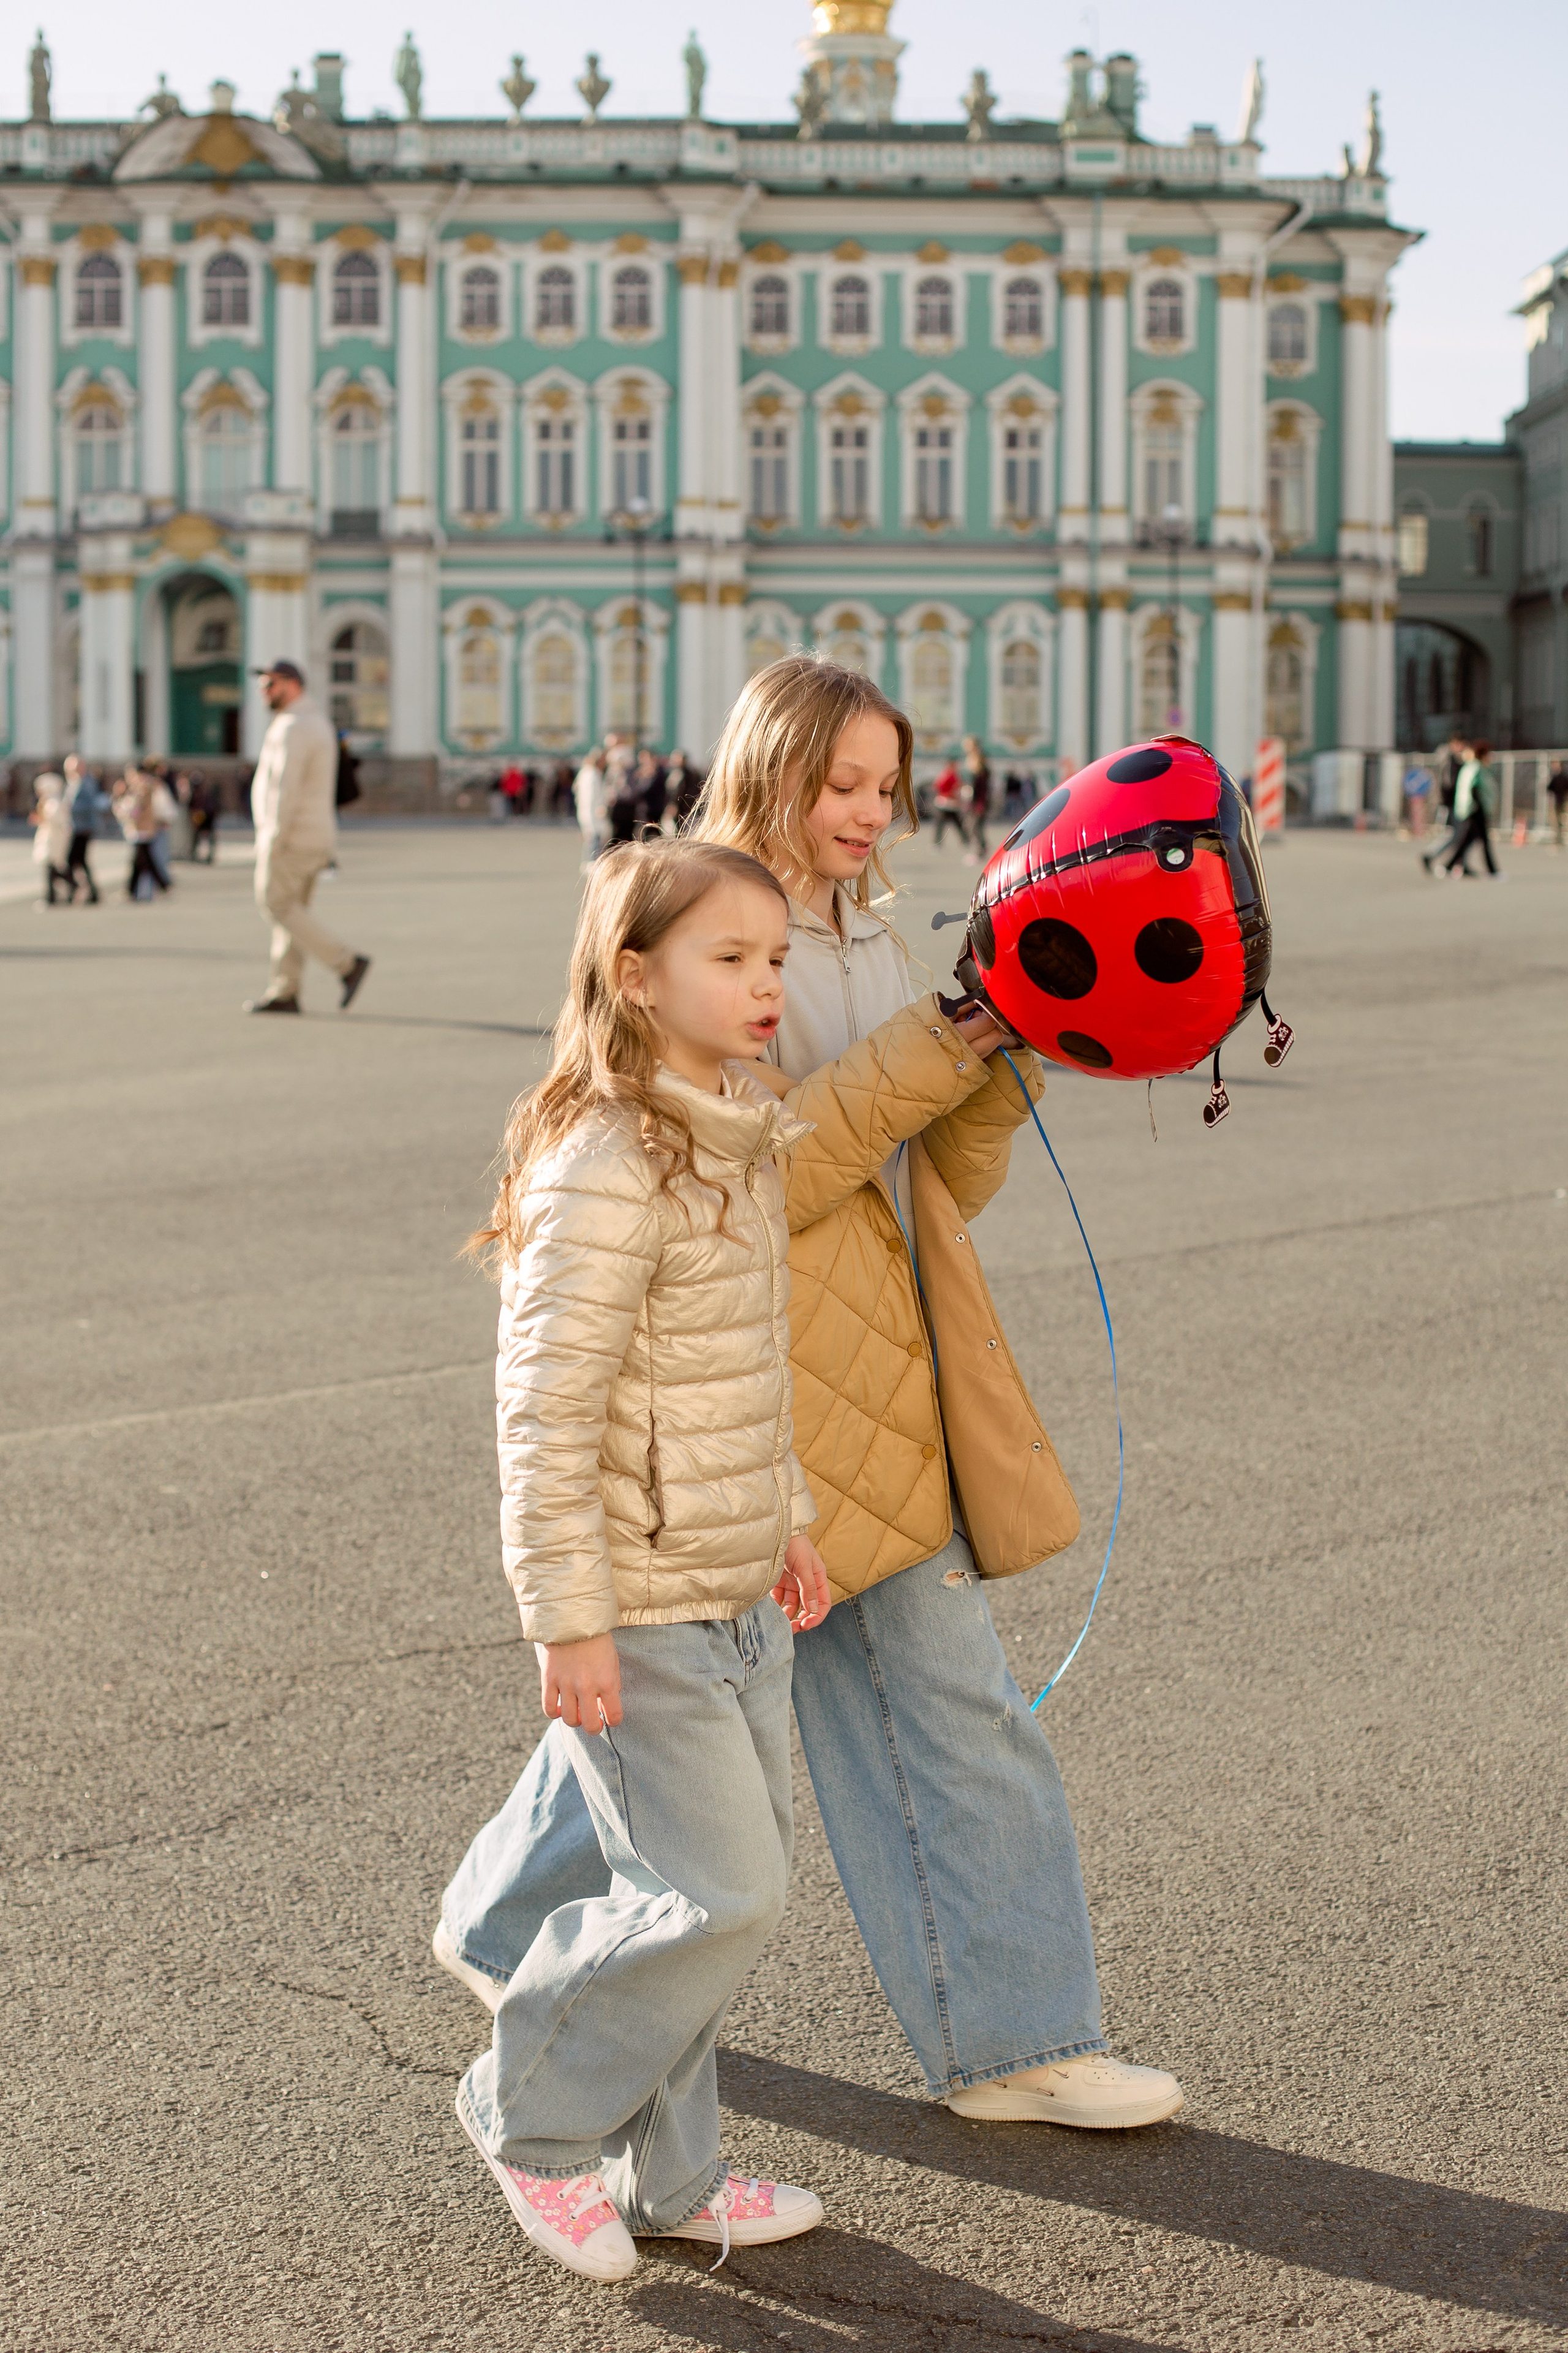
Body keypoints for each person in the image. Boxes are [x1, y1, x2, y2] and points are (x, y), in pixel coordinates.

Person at [437, 655, 1183, 2135]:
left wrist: (1009, 1057)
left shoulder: (879, 933)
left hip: (873, 1361)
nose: (868, 810)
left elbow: (930, 1182)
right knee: (934, 1705)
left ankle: (496, 1918)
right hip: (753, 1378)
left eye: (886, 785)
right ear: (768, 765)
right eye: (839, 780)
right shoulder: (712, 922)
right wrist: (935, 1049)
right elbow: (755, 1174)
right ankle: (1013, 2035)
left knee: (666, 1690)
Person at [454, 837, 832, 2283]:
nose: (761, 985)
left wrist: (783, 1510)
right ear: (634, 973)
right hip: (642, 1600)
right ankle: (527, 2116)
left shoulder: (736, 1119)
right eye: (727, 959)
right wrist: (569, 1619)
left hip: (736, 1585)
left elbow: (742, 1368)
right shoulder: (604, 1156)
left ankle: (669, 2174)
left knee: (702, 1901)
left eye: (774, 958)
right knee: (718, 1892)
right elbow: (545, 1413)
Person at [244, 659, 372, 1015]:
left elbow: (285, 791)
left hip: (292, 837)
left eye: (269, 685)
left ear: (291, 684)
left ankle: (347, 964)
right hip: (314, 835)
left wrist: (272, 838)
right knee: (292, 910)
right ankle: (286, 989)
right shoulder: (312, 722)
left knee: (275, 903)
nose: (263, 693)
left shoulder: (294, 727)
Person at [1433, 741, 1499, 879]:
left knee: (1467, 840)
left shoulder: (1473, 767)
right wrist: (1479, 806)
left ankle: (1448, 866)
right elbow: (1475, 789)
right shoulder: (1476, 768)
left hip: (1471, 809)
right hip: (1474, 810)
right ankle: (1493, 871)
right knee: (1481, 841)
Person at [113, 768, 170, 901]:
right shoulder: (140, 788)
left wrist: (121, 799)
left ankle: (163, 885)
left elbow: (136, 808)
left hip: (143, 829)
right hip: (141, 829)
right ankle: (135, 890)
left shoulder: (143, 788)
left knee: (145, 860)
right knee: (141, 861)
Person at [62, 755, 102, 902]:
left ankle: (80, 889)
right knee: (80, 861)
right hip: (76, 827)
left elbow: (89, 805)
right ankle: (91, 892)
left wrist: (71, 809)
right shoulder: (74, 782)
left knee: (72, 860)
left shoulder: (86, 783)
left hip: (83, 828)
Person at [29, 772, 73, 907]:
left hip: (53, 840)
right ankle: (60, 893)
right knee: (53, 869)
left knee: (52, 868)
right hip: (49, 839)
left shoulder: (54, 802)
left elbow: (58, 820)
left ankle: (52, 897)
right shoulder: (48, 801)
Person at [571, 744, 609, 867]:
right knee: (594, 840)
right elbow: (591, 797)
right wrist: (600, 808)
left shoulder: (586, 773)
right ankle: (591, 864)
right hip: (592, 813)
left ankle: (590, 862)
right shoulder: (592, 775)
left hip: (587, 813)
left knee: (591, 839)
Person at [962, 735, 992, 864]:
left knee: (974, 826)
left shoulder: (979, 761)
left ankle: (980, 851)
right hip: (977, 800)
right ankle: (983, 849)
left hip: (979, 801)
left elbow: (980, 785)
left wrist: (977, 802)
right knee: (974, 826)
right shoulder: (974, 760)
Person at [930, 756, 965, 850]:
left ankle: (938, 843)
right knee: (945, 824)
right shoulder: (949, 774)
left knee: (947, 824)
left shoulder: (948, 774)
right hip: (946, 802)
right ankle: (965, 840)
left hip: (948, 803)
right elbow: (940, 786)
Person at [1402, 761, 1433, 839]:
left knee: (1419, 813)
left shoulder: (1419, 777)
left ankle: (1419, 830)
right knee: (1416, 813)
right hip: (1416, 796)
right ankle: (1417, 830)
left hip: (1419, 796)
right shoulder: (1416, 776)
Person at [1547, 761, 1567, 850]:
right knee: (1557, 823)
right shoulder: (1556, 777)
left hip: (1561, 802)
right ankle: (1558, 840)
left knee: (1559, 822)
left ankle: (1559, 840)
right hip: (1557, 802)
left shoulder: (1561, 777)